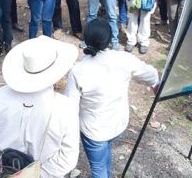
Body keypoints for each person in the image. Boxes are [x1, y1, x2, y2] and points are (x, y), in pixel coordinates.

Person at [65, 18, 159, 178]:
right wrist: (156, 84)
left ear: (85, 41)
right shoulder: (124, 59)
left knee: (99, 170)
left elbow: (69, 108)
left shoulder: (78, 70)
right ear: (109, 39)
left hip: (93, 131)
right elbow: (151, 74)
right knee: (104, 154)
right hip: (117, 124)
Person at [0, 35, 79, 178]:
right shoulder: (65, 107)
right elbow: (68, 155)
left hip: (6, 170)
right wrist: (39, 175)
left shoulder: (0, 96)